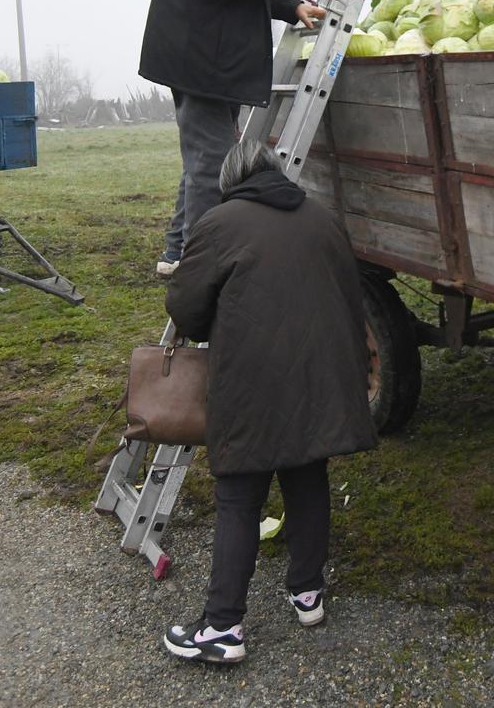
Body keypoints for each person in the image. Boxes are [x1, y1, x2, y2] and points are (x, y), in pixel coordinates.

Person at [161, 139, 376, 665]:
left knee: (239, 497)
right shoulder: (323, 218)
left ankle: (222, 628)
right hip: (320, 375)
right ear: (275, 173)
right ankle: (308, 594)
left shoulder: (218, 222)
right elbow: (352, 298)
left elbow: (186, 310)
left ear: (231, 180)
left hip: (250, 383)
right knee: (307, 477)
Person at [138, 0, 326, 277]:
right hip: (201, 62)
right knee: (212, 166)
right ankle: (203, 267)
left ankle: (176, 254)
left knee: (203, 160)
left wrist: (290, 5)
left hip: (208, 59)